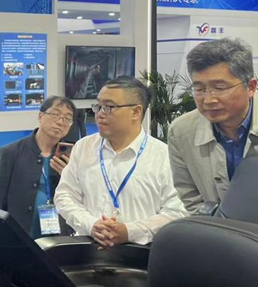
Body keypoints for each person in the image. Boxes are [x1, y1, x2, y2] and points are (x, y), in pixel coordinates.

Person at [54, 77, 187, 247]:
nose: (100, 114)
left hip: (143, 253)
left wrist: (130, 231)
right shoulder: (83, 148)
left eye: (109, 107)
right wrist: (91, 224)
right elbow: (65, 196)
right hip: (89, 248)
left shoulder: (163, 156)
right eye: (98, 106)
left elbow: (176, 212)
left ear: (136, 112)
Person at [167, 38, 258, 214]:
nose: (209, 100)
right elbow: (190, 197)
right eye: (199, 89)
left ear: (250, 87)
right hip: (219, 228)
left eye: (219, 88)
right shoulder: (181, 131)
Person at [0, 96, 77, 238]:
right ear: (40, 116)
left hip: (58, 234)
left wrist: (68, 176)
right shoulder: (11, 152)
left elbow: (80, 197)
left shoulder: (74, 156)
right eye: (55, 114)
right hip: (19, 232)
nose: (60, 122)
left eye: (67, 118)